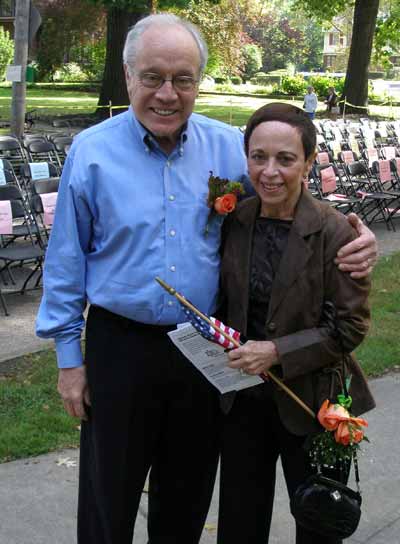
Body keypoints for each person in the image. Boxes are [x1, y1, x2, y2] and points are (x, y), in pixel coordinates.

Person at [36, 13, 377, 544]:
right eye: (152, 77)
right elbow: (64, 265)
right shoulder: (92, 152)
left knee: (187, 495)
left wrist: (353, 234)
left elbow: (286, 194)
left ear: (199, 80)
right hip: (119, 347)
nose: (167, 94)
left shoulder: (227, 148)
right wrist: (68, 362)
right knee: (109, 499)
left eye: (183, 78)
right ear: (128, 77)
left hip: (205, 351)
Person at [216, 102, 376, 544]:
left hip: (314, 404)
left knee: (318, 525)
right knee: (239, 520)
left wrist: (276, 352)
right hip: (244, 402)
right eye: (258, 157)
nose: (270, 171)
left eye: (285, 159)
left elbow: (349, 328)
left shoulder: (336, 232)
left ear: (308, 162)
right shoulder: (235, 219)